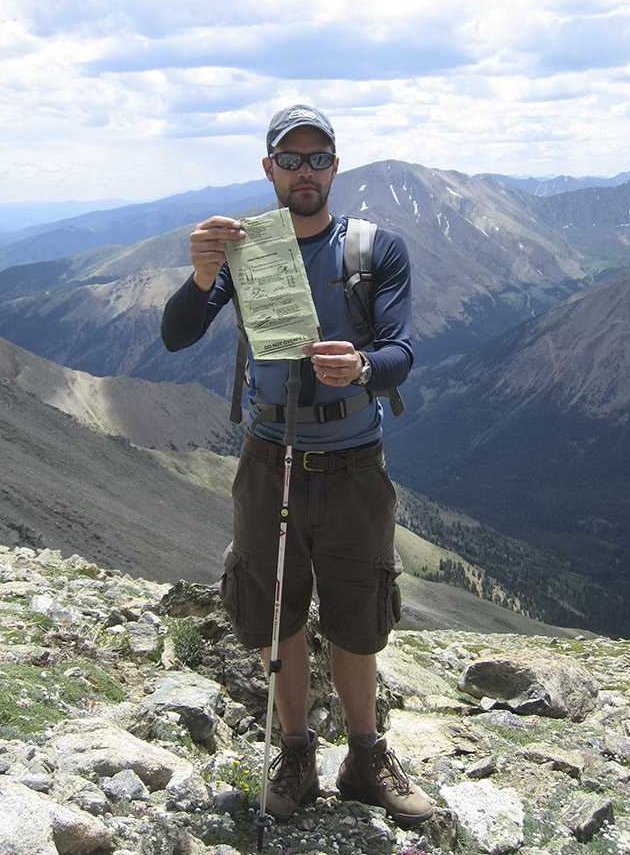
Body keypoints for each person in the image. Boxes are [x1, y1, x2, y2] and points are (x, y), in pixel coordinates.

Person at [161, 104, 433, 828]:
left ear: (335, 166)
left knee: (357, 614)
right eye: (291, 159)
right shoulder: (247, 249)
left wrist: (367, 365)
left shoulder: (377, 249)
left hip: (352, 464)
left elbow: (403, 351)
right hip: (268, 456)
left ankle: (365, 754)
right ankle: (296, 751)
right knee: (273, 607)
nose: (305, 172)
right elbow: (177, 335)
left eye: (318, 159)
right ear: (269, 168)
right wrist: (199, 276)